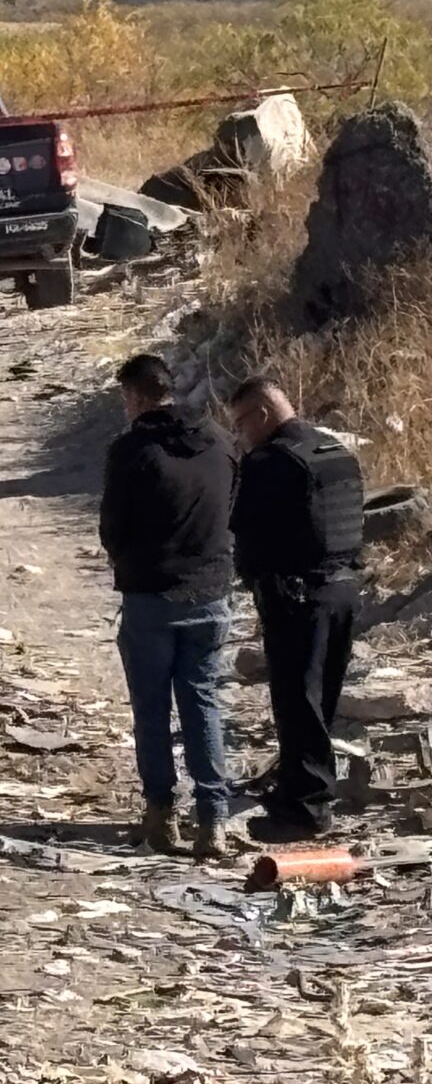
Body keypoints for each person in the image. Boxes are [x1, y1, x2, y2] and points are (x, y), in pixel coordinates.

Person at [100, 354, 239, 857]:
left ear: (136, 397)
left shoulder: (131, 450)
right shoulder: (220, 440)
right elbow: (233, 508)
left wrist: (130, 563)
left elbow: (112, 529)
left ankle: (161, 815)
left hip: (151, 595)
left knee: (152, 709)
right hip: (211, 592)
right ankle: (214, 821)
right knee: (203, 702)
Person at [229, 376, 364, 842]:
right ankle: (303, 789)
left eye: (241, 423)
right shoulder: (335, 451)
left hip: (297, 596)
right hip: (345, 588)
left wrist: (256, 582)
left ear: (262, 415)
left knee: (297, 702)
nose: (240, 435)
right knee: (322, 699)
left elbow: (244, 531)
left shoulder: (271, 461)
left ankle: (304, 811)